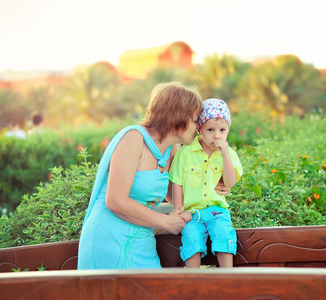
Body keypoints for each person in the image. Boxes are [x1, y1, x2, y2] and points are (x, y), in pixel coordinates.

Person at [78, 82, 230, 270]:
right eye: (194, 120)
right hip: (109, 238)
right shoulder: (134, 138)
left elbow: (179, 194)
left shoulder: (172, 149)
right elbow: (115, 200)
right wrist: (166, 222)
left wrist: (217, 184)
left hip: (142, 240)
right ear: (178, 117)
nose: (198, 125)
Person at [169, 98, 243, 268]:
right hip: (192, 214)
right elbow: (177, 183)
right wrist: (179, 211)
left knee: (223, 233)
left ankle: (227, 276)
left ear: (228, 130)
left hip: (217, 211)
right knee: (191, 239)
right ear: (199, 129)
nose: (217, 135)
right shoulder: (185, 153)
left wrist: (225, 156)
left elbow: (230, 182)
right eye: (210, 129)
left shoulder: (229, 154)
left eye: (222, 130)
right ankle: (194, 279)